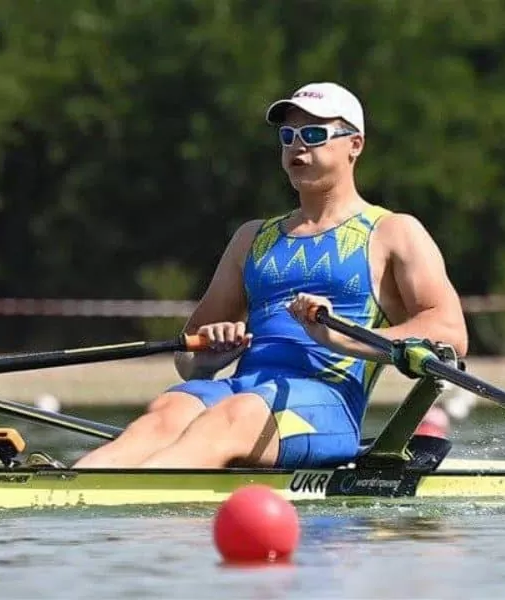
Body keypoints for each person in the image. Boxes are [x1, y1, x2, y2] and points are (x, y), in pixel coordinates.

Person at [73, 82, 468, 470]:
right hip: (239, 393)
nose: (298, 145)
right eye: (288, 135)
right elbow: (187, 359)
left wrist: (338, 336)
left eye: (314, 134)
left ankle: (140, 505)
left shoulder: (393, 232)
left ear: (355, 145)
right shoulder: (252, 238)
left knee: (235, 415)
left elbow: (450, 334)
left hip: (325, 405)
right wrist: (208, 360)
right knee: (168, 408)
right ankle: (68, 486)